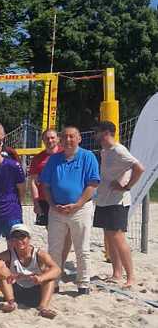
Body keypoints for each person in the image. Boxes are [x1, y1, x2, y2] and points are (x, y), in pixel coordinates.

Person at [39, 125, 101, 295]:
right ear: (60, 139)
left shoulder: (88, 157)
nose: (68, 139)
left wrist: (78, 204)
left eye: (72, 136)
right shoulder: (54, 159)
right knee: (54, 249)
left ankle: (83, 283)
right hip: (57, 210)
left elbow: (92, 184)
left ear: (79, 138)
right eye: (65, 136)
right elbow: (45, 185)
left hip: (80, 209)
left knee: (82, 249)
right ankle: (54, 282)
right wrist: (52, 205)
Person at [94, 121, 144, 287]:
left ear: (106, 132)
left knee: (118, 237)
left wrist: (127, 186)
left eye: (97, 131)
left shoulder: (119, 150)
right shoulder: (105, 151)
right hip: (104, 199)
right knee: (109, 237)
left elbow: (139, 168)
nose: (95, 134)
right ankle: (117, 273)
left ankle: (131, 277)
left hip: (117, 201)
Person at [0, 224, 60, 318]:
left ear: (29, 238)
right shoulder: (7, 254)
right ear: (11, 240)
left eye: (22, 237)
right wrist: (8, 275)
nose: (19, 240)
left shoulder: (39, 254)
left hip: (36, 291)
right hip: (16, 291)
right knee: (2, 273)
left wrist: (41, 278)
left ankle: (43, 307)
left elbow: (57, 269)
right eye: (15, 237)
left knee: (49, 276)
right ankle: (11, 303)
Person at [28, 129, 61, 228]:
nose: (50, 140)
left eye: (52, 138)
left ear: (58, 139)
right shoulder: (38, 158)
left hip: (62, 198)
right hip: (44, 198)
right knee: (49, 228)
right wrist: (36, 203)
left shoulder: (65, 154)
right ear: (43, 140)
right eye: (47, 138)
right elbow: (33, 182)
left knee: (65, 229)